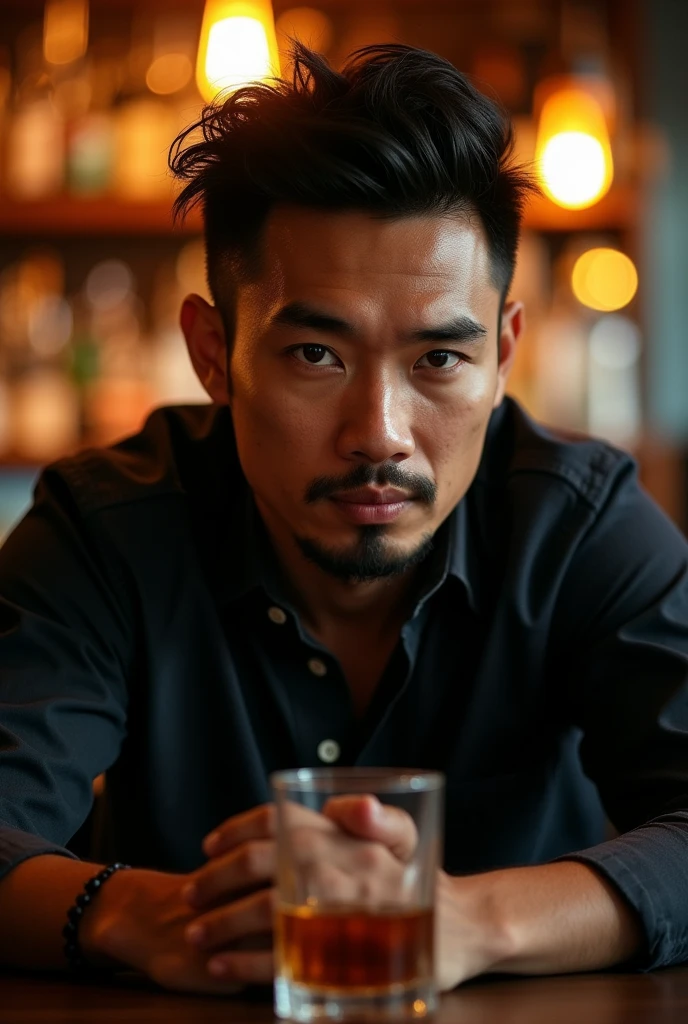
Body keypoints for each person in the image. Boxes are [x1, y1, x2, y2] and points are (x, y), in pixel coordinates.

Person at [0, 40, 687, 994]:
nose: (381, 435)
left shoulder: (578, 524)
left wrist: (466, 921)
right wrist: (134, 913)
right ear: (212, 352)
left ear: (504, 354)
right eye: (316, 355)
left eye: (439, 360)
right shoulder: (106, 530)